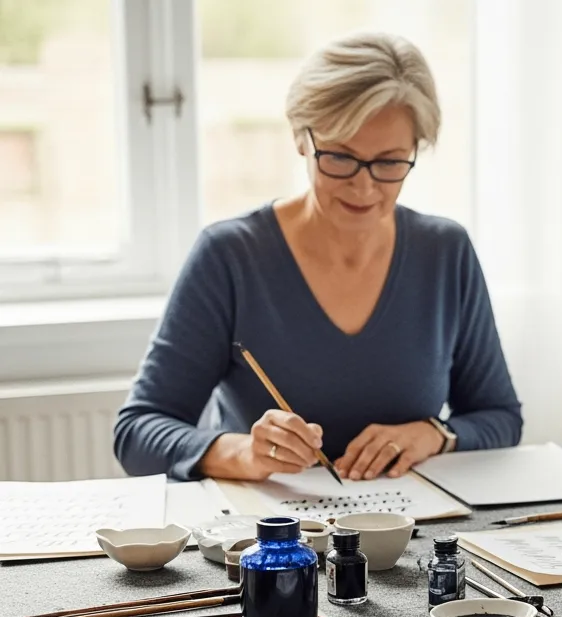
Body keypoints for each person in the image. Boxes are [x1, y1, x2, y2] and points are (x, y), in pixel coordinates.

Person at [114, 32, 522, 482]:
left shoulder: (446, 252)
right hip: (268, 539)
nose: (364, 188)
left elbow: (500, 417)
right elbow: (136, 432)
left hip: (410, 531)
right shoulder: (230, 256)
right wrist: (242, 453)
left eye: (389, 163)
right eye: (341, 158)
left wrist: (435, 434)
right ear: (301, 138)